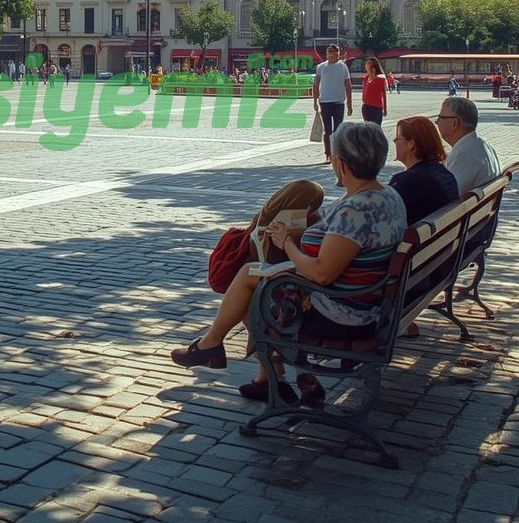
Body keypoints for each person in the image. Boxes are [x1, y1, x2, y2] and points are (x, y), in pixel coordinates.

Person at [170, 123, 406, 407]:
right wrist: (303, 232)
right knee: (252, 277)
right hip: (365, 303)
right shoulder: (387, 196)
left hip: (342, 315)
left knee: (250, 285)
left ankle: (223, 351)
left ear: (341, 163)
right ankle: (265, 374)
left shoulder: (356, 210)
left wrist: (286, 243)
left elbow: (321, 273)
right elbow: (345, 243)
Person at [389, 116, 460, 224]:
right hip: (441, 233)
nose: (394, 141)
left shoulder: (408, 182)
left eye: (398, 137)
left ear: (411, 144)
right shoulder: (445, 174)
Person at [435, 96, 500, 195]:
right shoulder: (480, 146)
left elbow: (446, 195)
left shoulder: (464, 155)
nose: (436, 122)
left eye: (440, 118)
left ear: (454, 123)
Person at [311, 45, 353, 163]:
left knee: (338, 129)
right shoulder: (321, 67)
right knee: (328, 129)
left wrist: (349, 104)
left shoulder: (343, 67)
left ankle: (338, 153)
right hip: (325, 101)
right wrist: (315, 100)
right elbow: (316, 84)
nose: (333, 54)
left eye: (335, 52)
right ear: (327, 54)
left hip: (339, 101)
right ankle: (328, 154)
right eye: (330, 52)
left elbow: (348, 85)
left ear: (338, 53)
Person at [360, 57, 388, 126]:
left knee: (376, 127)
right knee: (367, 128)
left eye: (370, 63)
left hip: (377, 108)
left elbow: (384, 94)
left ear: (374, 66)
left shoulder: (381, 79)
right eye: (367, 63)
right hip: (366, 106)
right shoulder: (365, 78)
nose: (368, 65)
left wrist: (385, 109)